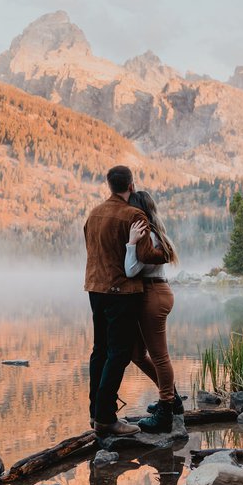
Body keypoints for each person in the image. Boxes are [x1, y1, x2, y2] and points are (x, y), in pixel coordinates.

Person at [84, 165, 169, 437]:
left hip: (95, 289)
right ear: (131, 186)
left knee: (99, 350)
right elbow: (146, 255)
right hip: (120, 292)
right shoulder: (134, 215)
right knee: (119, 353)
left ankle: (95, 413)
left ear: (109, 185)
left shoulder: (94, 214)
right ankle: (106, 419)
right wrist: (165, 253)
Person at [125, 190, 180, 433]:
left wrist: (130, 244)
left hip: (154, 294)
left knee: (159, 356)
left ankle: (166, 410)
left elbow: (131, 270)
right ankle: (171, 398)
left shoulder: (147, 236)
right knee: (137, 354)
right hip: (153, 293)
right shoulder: (153, 233)